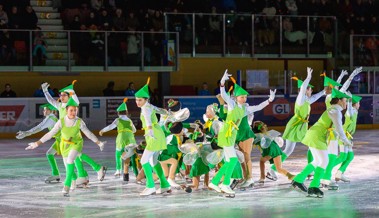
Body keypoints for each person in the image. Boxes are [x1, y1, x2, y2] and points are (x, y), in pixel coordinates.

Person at [25, 97, 107, 197]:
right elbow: (50, 134)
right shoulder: (61, 121)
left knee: (70, 160)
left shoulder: (79, 122)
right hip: (64, 145)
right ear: (66, 110)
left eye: (75, 110)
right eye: (71, 110)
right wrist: (37, 143)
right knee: (67, 166)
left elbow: (88, 134)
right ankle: (74, 180)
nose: (73, 112)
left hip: (76, 144)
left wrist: (99, 143)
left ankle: (66, 186)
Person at [291, 88, 352, 198]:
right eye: (344, 100)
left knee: (317, 161)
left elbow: (335, 129)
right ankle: (313, 187)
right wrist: (346, 141)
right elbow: (339, 128)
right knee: (324, 161)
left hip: (316, 135)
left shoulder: (334, 110)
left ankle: (298, 180)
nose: (346, 103)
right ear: (338, 100)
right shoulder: (335, 111)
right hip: (317, 136)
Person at [268, 67, 325, 181]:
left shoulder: (306, 100)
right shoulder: (300, 99)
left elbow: (314, 97)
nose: (311, 91)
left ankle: (311, 169)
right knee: (289, 150)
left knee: (310, 146)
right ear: (304, 90)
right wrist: (308, 77)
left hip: (301, 127)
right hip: (295, 127)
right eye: (310, 89)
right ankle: (272, 170)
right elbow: (303, 88)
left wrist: (324, 91)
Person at [135, 77, 171, 196]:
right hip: (158, 133)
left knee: (144, 160)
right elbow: (160, 110)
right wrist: (168, 112)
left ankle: (150, 186)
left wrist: (149, 131)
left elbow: (147, 120)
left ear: (146, 99)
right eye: (136, 100)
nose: (137, 102)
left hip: (153, 134)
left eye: (140, 100)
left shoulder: (145, 108)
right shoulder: (149, 106)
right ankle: (165, 184)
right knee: (154, 161)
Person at [16, 103, 61, 183]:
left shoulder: (50, 118)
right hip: (59, 140)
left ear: (50, 111)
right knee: (50, 154)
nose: (43, 111)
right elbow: (40, 127)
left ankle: (82, 175)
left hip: (64, 140)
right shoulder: (51, 117)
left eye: (45, 109)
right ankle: (56, 174)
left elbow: (39, 127)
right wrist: (27, 133)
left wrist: (26, 133)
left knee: (73, 158)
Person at [99, 98, 137, 181]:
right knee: (131, 153)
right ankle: (134, 170)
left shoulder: (118, 120)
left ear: (118, 113)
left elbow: (110, 127)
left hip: (121, 137)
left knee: (118, 153)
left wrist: (102, 130)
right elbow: (134, 130)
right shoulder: (130, 120)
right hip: (131, 137)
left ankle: (118, 170)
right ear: (126, 112)